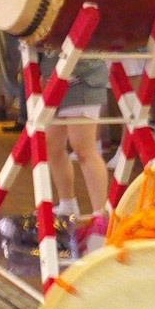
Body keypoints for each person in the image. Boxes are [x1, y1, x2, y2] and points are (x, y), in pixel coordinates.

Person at [39, 53, 111, 256]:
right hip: (53, 75)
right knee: (51, 146)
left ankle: (99, 217)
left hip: (83, 78)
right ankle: (67, 204)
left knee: (83, 148)